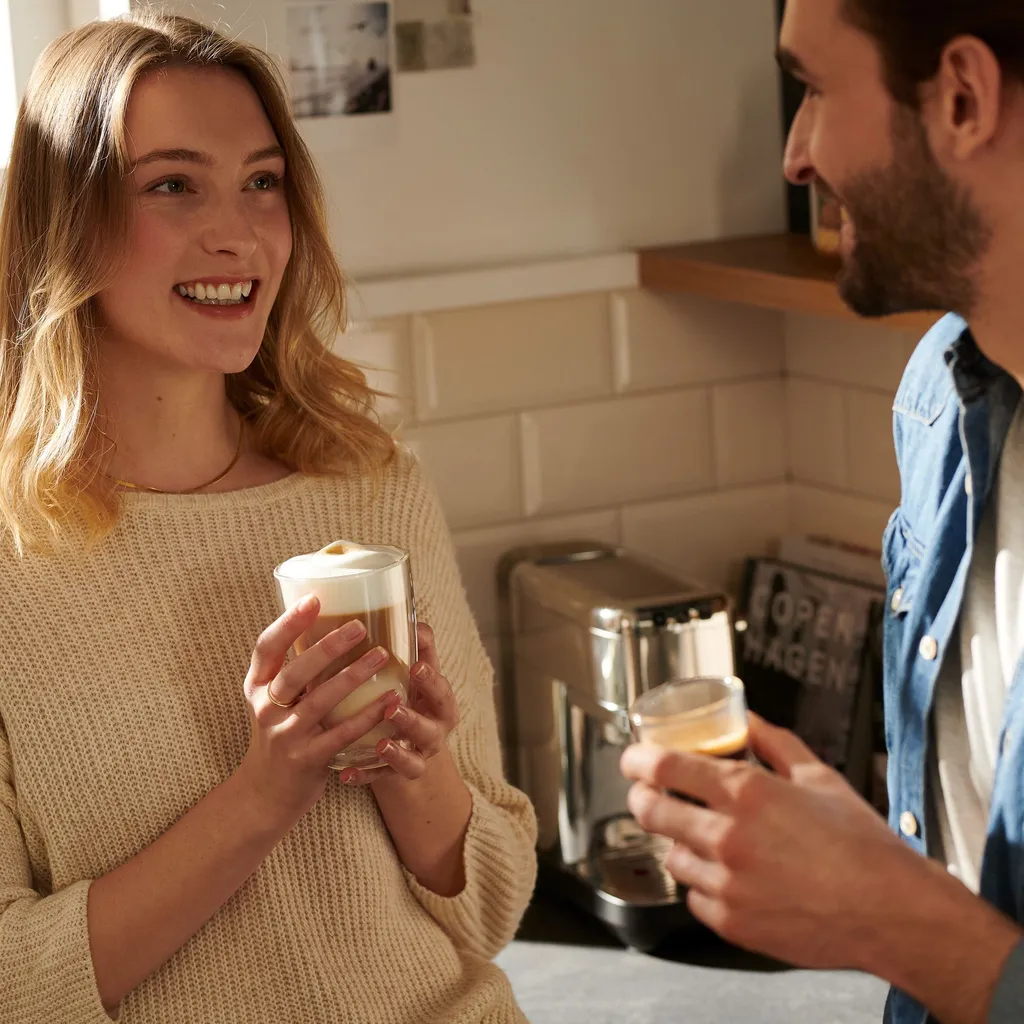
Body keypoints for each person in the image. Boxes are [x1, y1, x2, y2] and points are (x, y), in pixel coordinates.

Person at [0, 11, 537, 1023]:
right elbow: (14, 984)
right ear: (64, 222)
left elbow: (495, 900)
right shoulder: (11, 566)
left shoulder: (370, 490)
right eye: (173, 184)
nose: (239, 232)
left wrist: (414, 773)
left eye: (262, 181)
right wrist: (265, 791)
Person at [620, 2, 1024, 1023]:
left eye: (813, 86)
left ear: (962, 98)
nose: (796, 157)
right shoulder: (942, 390)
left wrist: (885, 914)